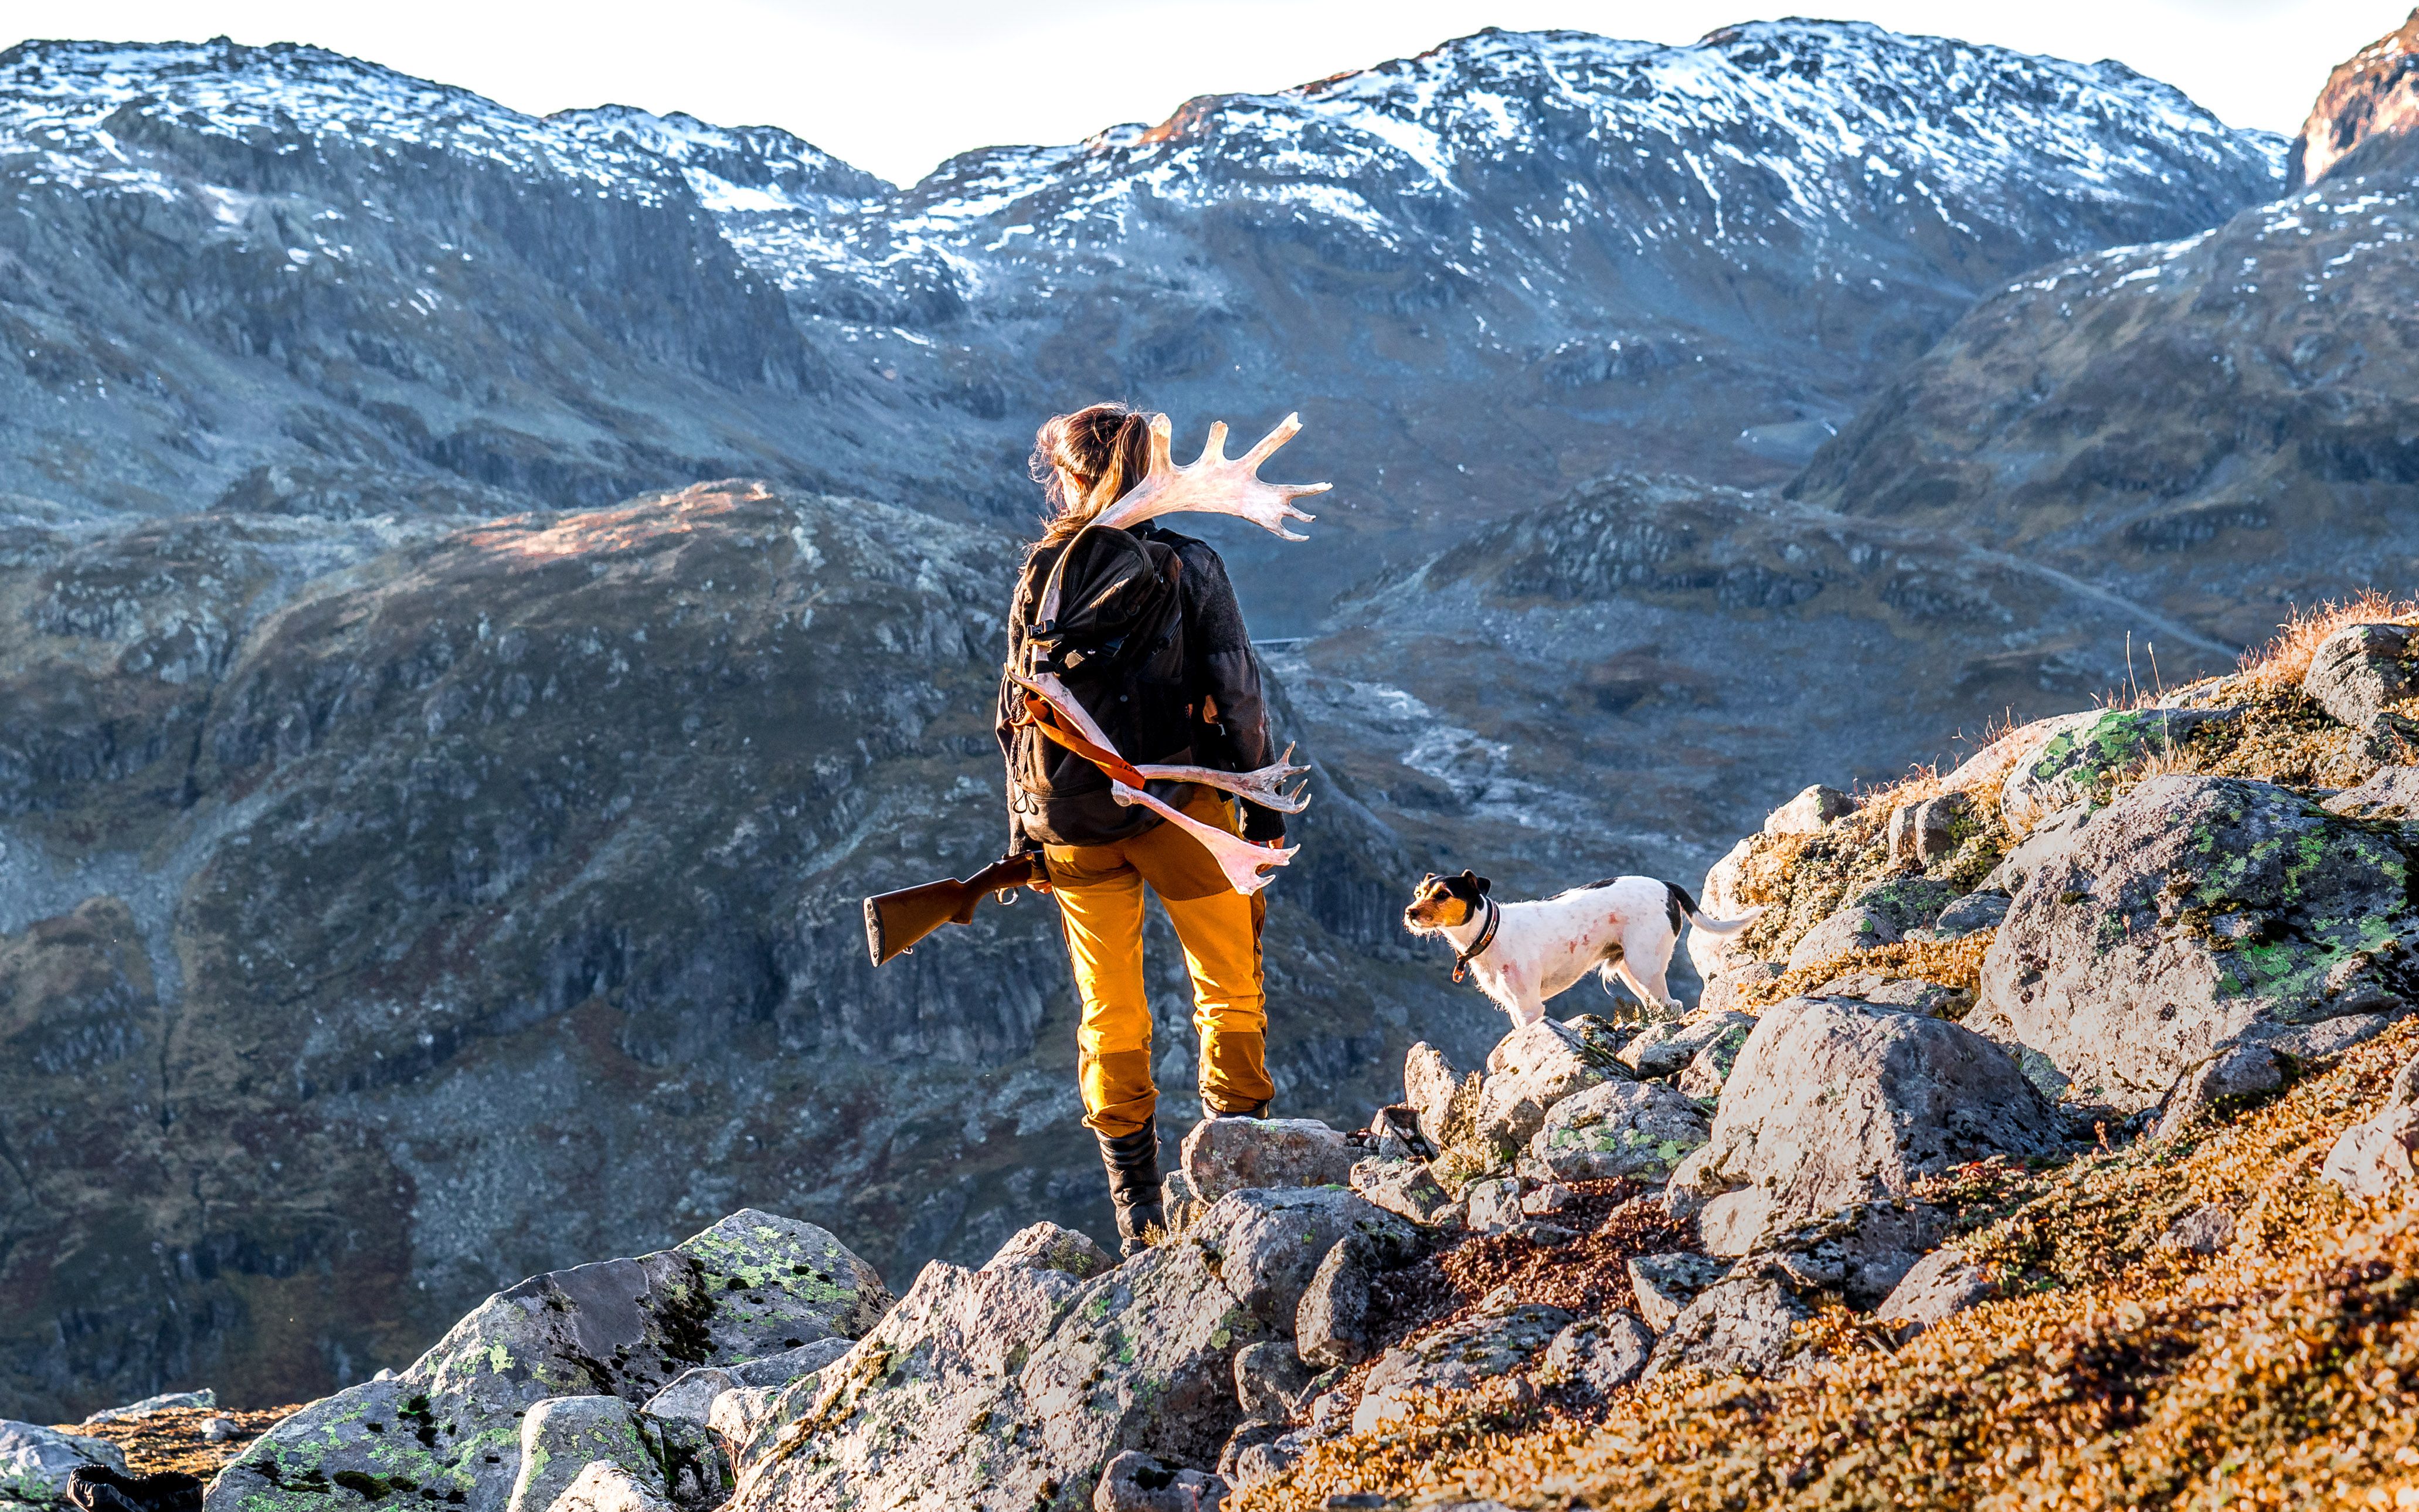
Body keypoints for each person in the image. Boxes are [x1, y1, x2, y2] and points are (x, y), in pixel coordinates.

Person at [997, 402, 1289, 1255]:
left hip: (1069, 818)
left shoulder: (1044, 568)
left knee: (1109, 1008)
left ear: (1071, 475)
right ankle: (1243, 1167)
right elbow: (1235, 689)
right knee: (1227, 984)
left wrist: (1024, 829)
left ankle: (1136, 1209)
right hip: (1180, 808)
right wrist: (1260, 808)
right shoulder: (1188, 562)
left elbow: (1015, 709)